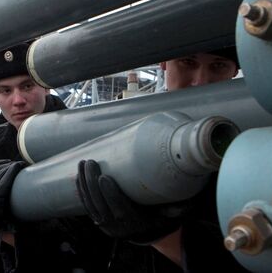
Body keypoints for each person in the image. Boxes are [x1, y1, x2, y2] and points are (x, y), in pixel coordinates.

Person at [76, 47, 249, 272]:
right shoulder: (125, 130)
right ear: (164, 64)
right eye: (188, 62)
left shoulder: (252, 146)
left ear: (234, 70)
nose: (200, 81)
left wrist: (163, 237)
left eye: (218, 66)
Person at [0, 43, 113, 273]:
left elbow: (92, 241)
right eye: (6, 91)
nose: (18, 100)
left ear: (46, 86)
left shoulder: (81, 138)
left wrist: (0, 230)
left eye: (27, 86)